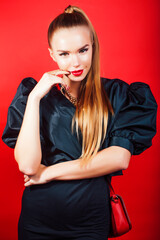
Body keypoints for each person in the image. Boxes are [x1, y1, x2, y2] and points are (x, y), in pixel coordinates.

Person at [2, 5, 157, 240]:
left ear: (93, 46)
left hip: (89, 222)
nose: (75, 62)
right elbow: (28, 166)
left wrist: (49, 173)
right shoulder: (34, 96)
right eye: (64, 54)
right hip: (37, 221)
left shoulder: (118, 94)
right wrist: (34, 98)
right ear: (52, 54)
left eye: (82, 50)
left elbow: (118, 158)